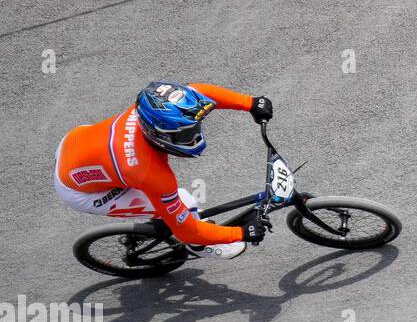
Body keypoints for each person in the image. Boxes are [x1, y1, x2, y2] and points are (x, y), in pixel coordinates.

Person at [55, 82, 275, 259]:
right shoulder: (149, 172)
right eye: (184, 135)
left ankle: (163, 218)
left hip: (76, 145)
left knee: (169, 204)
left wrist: (249, 102)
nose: (195, 136)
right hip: (82, 192)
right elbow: (186, 230)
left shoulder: (152, 107)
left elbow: (200, 93)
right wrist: (241, 233)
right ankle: (198, 248)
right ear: (158, 134)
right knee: (186, 202)